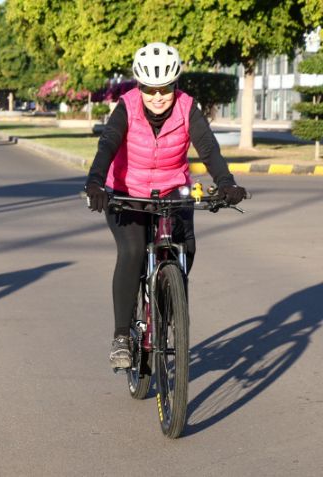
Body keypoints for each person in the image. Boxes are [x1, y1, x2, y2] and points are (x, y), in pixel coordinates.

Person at [83, 42, 246, 370]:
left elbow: (209, 148)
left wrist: (226, 182)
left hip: (173, 191)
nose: (158, 96)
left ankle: (168, 309)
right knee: (131, 253)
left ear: (175, 85)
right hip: (126, 193)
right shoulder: (126, 107)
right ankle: (120, 337)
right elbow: (108, 144)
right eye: (150, 89)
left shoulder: (187, 108)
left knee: (186, 248)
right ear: (139, 86)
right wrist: (96, 182)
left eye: (166, 88)